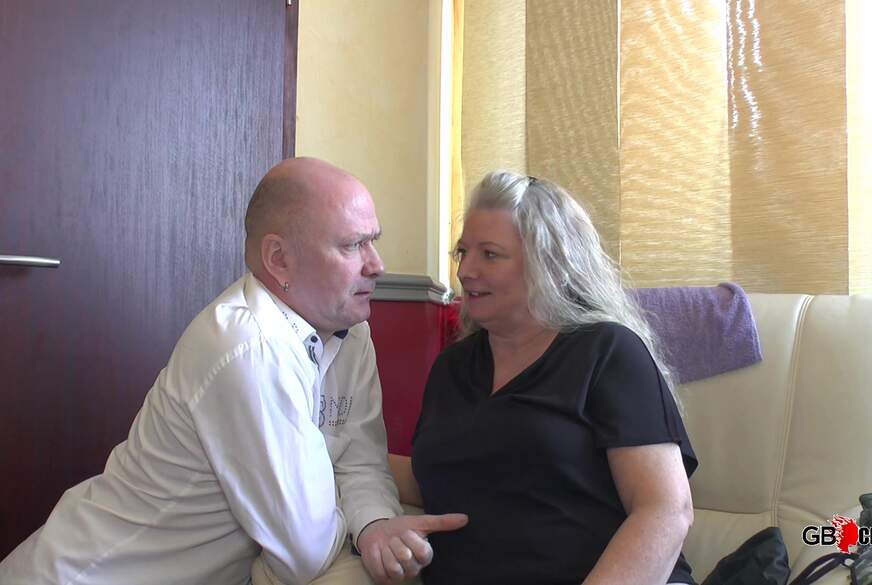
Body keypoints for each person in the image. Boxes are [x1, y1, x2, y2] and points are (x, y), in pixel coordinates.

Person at [0, 157, 466, 585]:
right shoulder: (249, 348)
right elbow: (306, 552)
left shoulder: (349, 329)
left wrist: (375, 523)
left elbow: (361, 460)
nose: (377, 265)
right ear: (279, 259)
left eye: (373, 241)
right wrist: (354, 512)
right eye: (352, 245)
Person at [391, 171, 698, 585]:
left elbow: (665, 510)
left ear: (549, 263)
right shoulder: (453, 367)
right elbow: (438, 478)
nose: (466, 271)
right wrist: (330, 458)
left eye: (490, 255)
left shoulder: (607, 351)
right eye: (463, 252)